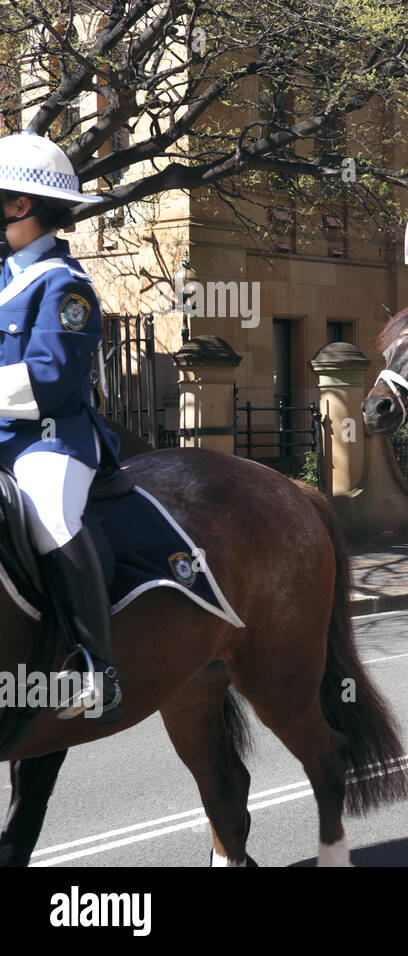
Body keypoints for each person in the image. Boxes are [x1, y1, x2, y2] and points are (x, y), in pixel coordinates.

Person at [0, 130, 122, 723]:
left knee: (50, 516)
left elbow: (47, 379)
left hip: (48, 440)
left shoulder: (66, 286)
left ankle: (99, 665)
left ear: (20, 206)